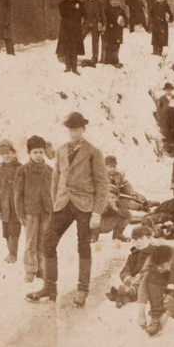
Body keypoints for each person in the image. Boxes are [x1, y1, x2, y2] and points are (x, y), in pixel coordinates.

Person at [26, 112, 110, 307]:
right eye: (70, 129)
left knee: (83, 245)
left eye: (77, 129)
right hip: (63, 203)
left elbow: (102, 184)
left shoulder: (93, 152)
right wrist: (55, 202)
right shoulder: (61, 150)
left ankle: (82, 289)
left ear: (83, 129)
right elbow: (56, 179)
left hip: (85, 205)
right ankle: (49, 288)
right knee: (48, 241)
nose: (73, 133)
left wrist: (97, 212)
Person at [14, 135, 53, 282]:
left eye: (41, 152)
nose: (38, 155)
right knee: (31, 240)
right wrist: (20, 214)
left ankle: (41, 268)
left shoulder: (50, 171)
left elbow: (55, 192)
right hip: (30, 211)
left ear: (45, 152)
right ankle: (30, 269)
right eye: (35, 152)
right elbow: (18, 194)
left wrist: (53, 209)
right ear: (29, 153)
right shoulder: (22, 171)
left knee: (43, 240)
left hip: (46, 211)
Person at [106, 226, 155, 308]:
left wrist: (141, 276)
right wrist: (128, 278)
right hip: (135, 283)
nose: (138, 242)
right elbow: (125, 270)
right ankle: (124, 298)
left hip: (152, 283)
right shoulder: (133, 255)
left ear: (149, 239)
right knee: (138, 288)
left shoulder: (156, 253)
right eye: (135, 239)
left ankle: (127, 291)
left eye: (142, 238)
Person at [0, 140, 22, 264]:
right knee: (6, 231)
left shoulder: (20, 168)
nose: (6, 156)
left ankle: (13, 254)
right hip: (4, 205)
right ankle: (10, 252)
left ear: (14, 153)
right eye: (3, 153)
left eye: (8, 152)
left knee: (13, 230)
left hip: (16, 205)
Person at [55, 0, 86, 75]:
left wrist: (78, 8)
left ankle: (74, 68)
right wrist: (74, 8)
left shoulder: (80, 4)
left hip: (76, 30)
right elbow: (63, 14)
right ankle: (68, 67)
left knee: (74, 49)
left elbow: (83, 14)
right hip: (66, 30)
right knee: (67, 49)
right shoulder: (62, 4)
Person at [82, 0, 106, 67]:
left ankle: (94, 59)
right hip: (86, 22)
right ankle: (73, 55)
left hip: (96, 23)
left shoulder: (98, 3)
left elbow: (102, 14)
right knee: (79, 37)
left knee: (95, 42)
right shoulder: (85, 2)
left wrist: (104, 24)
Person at [103, 0, 127, 68]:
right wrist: (108, 25)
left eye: (117, 0)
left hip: (118, 31)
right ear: (111, 1)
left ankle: (115, 61)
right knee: (110, 46)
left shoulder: (121, 10)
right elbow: (104, 19)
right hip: (109, 31)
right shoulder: (106, 10)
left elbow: (126, 20)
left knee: (117, 46)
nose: (115, 2)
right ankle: (110, 61)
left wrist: (124, 23)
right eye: (114, 0)